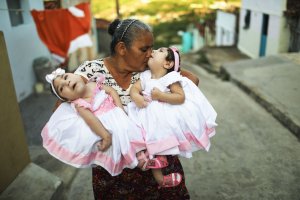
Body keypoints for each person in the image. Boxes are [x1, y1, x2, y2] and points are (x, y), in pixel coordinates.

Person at [72, 18, 198, 199]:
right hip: (113, 170)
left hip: (159, 163)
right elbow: (64, 108)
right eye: (144, 49)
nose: (150, 54)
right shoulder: (90, 71)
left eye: (152, 48)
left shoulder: (149, 69)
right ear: (122, 48)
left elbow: (193, 81)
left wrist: (167, 77)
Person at [127, 46, 217, 188]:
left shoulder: (170, 78)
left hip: (160, 117)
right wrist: (136, 97)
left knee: (158, 140)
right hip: (144, 113)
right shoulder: (145, 76)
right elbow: (135, 89)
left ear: (167, 64)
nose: (154, 51)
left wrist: (161, 95)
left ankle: (160, 178)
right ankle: (149, 166)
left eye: (159, 51)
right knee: (135, 133)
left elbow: (180, 97)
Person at [42, 67, 145, 176]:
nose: (66, 82)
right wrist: (105, 136)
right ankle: (139, 160)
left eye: (66, 77)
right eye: (62, 88)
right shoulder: (79, 104)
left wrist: (120, 109)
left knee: (133, 130)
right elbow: (91, 120)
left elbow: (111, 91)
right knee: (121, 138)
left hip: (117, 113)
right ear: (67, 99)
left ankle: (146, 151)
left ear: (77, 75)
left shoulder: (93, 84)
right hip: (107, 122)